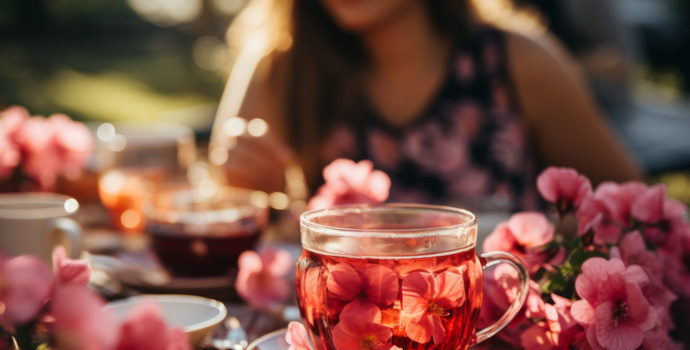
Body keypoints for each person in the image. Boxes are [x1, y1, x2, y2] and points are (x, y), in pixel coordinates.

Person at [210, 0, 644, 212]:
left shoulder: (518, 62)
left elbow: (637, 214)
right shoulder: (281, 64)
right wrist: (255, 189)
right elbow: (221, 209)